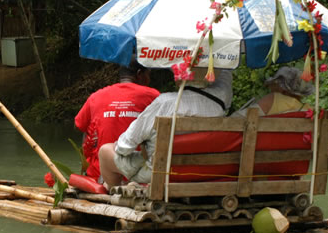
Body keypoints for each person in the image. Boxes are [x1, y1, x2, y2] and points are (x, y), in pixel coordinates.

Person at [99, 67, 233, 188]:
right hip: (203, 171)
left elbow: (125, 147)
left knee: (105, 151)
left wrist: (118, 145)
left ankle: (116, 193)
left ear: (178, 76)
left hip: (162, 173)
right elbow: (226, 75)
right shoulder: (221, 100)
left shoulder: (165, 102)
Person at [75, 57, 159, 180]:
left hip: (100, 174)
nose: (149, 79)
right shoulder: (153, 96)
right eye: (148, 75)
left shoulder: (96, 96)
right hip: (138, 174)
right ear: (139, 74)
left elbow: (80, 126)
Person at [232, 66, 314, 117]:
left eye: (274, 84)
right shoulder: (309, 110)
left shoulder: (275, 99)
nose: (271, 88)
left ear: (281, 88)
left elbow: (237, 119)